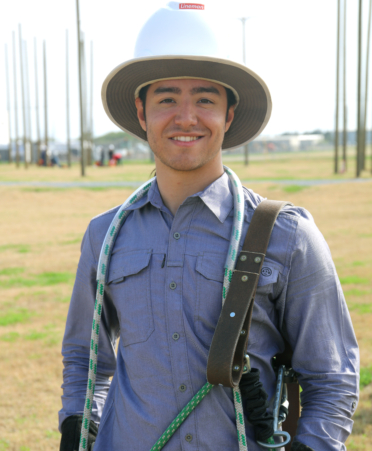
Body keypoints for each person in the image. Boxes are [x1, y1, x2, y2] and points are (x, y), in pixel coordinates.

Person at [59, 3, 359, 451]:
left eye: (204, 99)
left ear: (228, 116)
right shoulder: (105, 237)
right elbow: (86, 361)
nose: (186, 117)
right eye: (166, 99)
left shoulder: (288, 235)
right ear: (141, 114)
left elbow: (332, 378)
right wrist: (76, 431)